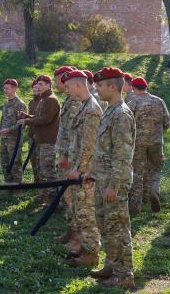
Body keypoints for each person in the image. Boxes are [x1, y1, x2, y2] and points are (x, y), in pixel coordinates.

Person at [86, 67, 135, 289]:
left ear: (113, 87)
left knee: (117, 228)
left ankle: (124, 275)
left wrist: (114, 185)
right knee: (105, 226)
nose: (97, 89)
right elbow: (104, 149)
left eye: (101, 86)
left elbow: (122, 155)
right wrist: (93, 173)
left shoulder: (121, 114)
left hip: (114, 183)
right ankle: (111, 265)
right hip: (103, 180)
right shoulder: (109, 110)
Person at [61, 70, 102, 268]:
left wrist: (79, 168)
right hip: (79, 169)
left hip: (86, 171)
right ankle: (85, 247)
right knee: (80, 211)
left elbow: (89, 144)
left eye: (67, 86)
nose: (66, 90)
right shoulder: (85, 106)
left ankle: (92, 253)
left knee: (87, 213)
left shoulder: (91, 109)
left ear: (78, 85)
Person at [128, 77, 170, 214]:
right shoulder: (159, 101)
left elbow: (126, 125)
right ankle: (153, 191)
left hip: (138, 143)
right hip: (156, 143)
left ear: (134, 88)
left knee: (137, 173)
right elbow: (168, 122)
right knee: (156, 169)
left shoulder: (132, 103)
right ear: (146, 87)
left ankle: (135, 206)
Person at [18, 75, 60, 204]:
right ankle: (45, 197)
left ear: (49, 85)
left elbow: (45, 119)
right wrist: (29, 116)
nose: (39, 86)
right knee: (42, 171)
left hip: (48, 141)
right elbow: (39, 117)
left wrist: (27, 120)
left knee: (48, 171)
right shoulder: (43, 99)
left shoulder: (51, 100)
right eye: (38, 84)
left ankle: (54, 201)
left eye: (41, 84)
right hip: (41, 140)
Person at [54, 66, 79, 245]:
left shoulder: (76, 101)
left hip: (71, 157)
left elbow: (73, 132)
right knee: (68, 198)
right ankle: (71, 231)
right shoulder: (69, 99)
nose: (57, 83)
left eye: (57, 79)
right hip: (66, 153)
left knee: (73, 198)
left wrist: (66, 156)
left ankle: (77, 235)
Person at [0, 79, 27, 189]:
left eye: (7, 88)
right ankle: (8, 186)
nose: (5, 90)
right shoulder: (6, 103)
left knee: (15, 163)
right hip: (4, 139)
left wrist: (9, 130)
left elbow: (22, 124)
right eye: (4, 88)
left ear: (15, 89)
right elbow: (3, 121)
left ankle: (18, 188)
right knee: (4, 163)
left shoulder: (20, 104)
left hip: (14, 140)